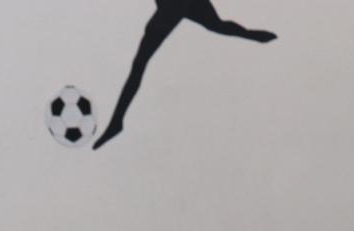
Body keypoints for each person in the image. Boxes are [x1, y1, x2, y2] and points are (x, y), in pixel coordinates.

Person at [92, 0, 276, 150]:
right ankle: (255, 36)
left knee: (140, 63)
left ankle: (117, 122)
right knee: (216, 25)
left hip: (173, 5)